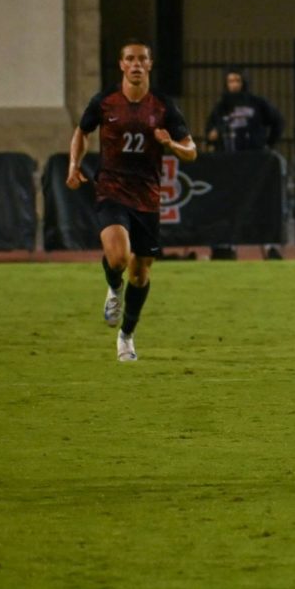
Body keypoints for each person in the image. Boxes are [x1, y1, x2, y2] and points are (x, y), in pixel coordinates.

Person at [67, 40, 197, 361]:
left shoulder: (164, 106)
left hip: (147, 197)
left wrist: (171, 144)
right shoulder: (105, 102)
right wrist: (73, 165)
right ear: (121, 65)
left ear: (149, 65)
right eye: (130, 59)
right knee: (118, 258)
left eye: (142, 59)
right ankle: (113, 288)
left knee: (140, 274)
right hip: (111, 189)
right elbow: (82, 132)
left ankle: (126, 335)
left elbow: (191, 150)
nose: (136, 64)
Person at [205, 68, 285, 260]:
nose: (233, 85)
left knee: (262, 203)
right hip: (229, 163)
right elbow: (210, 131)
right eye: (230, 81)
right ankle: (225, 247)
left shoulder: (257, 103)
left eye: (237, 81)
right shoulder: (221, 106)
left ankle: (270, 247)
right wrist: (212, 138)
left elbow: (278, 122)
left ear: (244, 82)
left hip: (255, 163)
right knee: (227, 205)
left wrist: (267, 145)